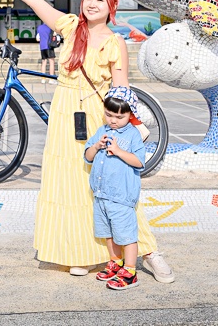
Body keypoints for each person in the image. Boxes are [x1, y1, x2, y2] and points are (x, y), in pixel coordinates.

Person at [0, 0, 175, 282]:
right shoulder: (70, 27)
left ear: (111, 8)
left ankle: (149, 252)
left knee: (114, 190)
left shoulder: (114, 43)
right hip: (65, 118)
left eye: (100, 0)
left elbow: (121, 91)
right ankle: (81, 253)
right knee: (70, 186)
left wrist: (118, 133)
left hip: (98, 118)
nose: (91, 4)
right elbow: (34, 0)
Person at [84, 87, 146, 290]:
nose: (113, 120)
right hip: (101, 195)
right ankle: (115, 261)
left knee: (126, 235)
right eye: (109, 115)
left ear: (130, 114)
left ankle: (130, 270)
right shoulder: (102, 131)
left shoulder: (133, 135)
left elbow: (139, 162)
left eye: (120, 116)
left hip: (121, 197)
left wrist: (119, 151)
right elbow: (87, 156)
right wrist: (96, 146)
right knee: (108, 232)